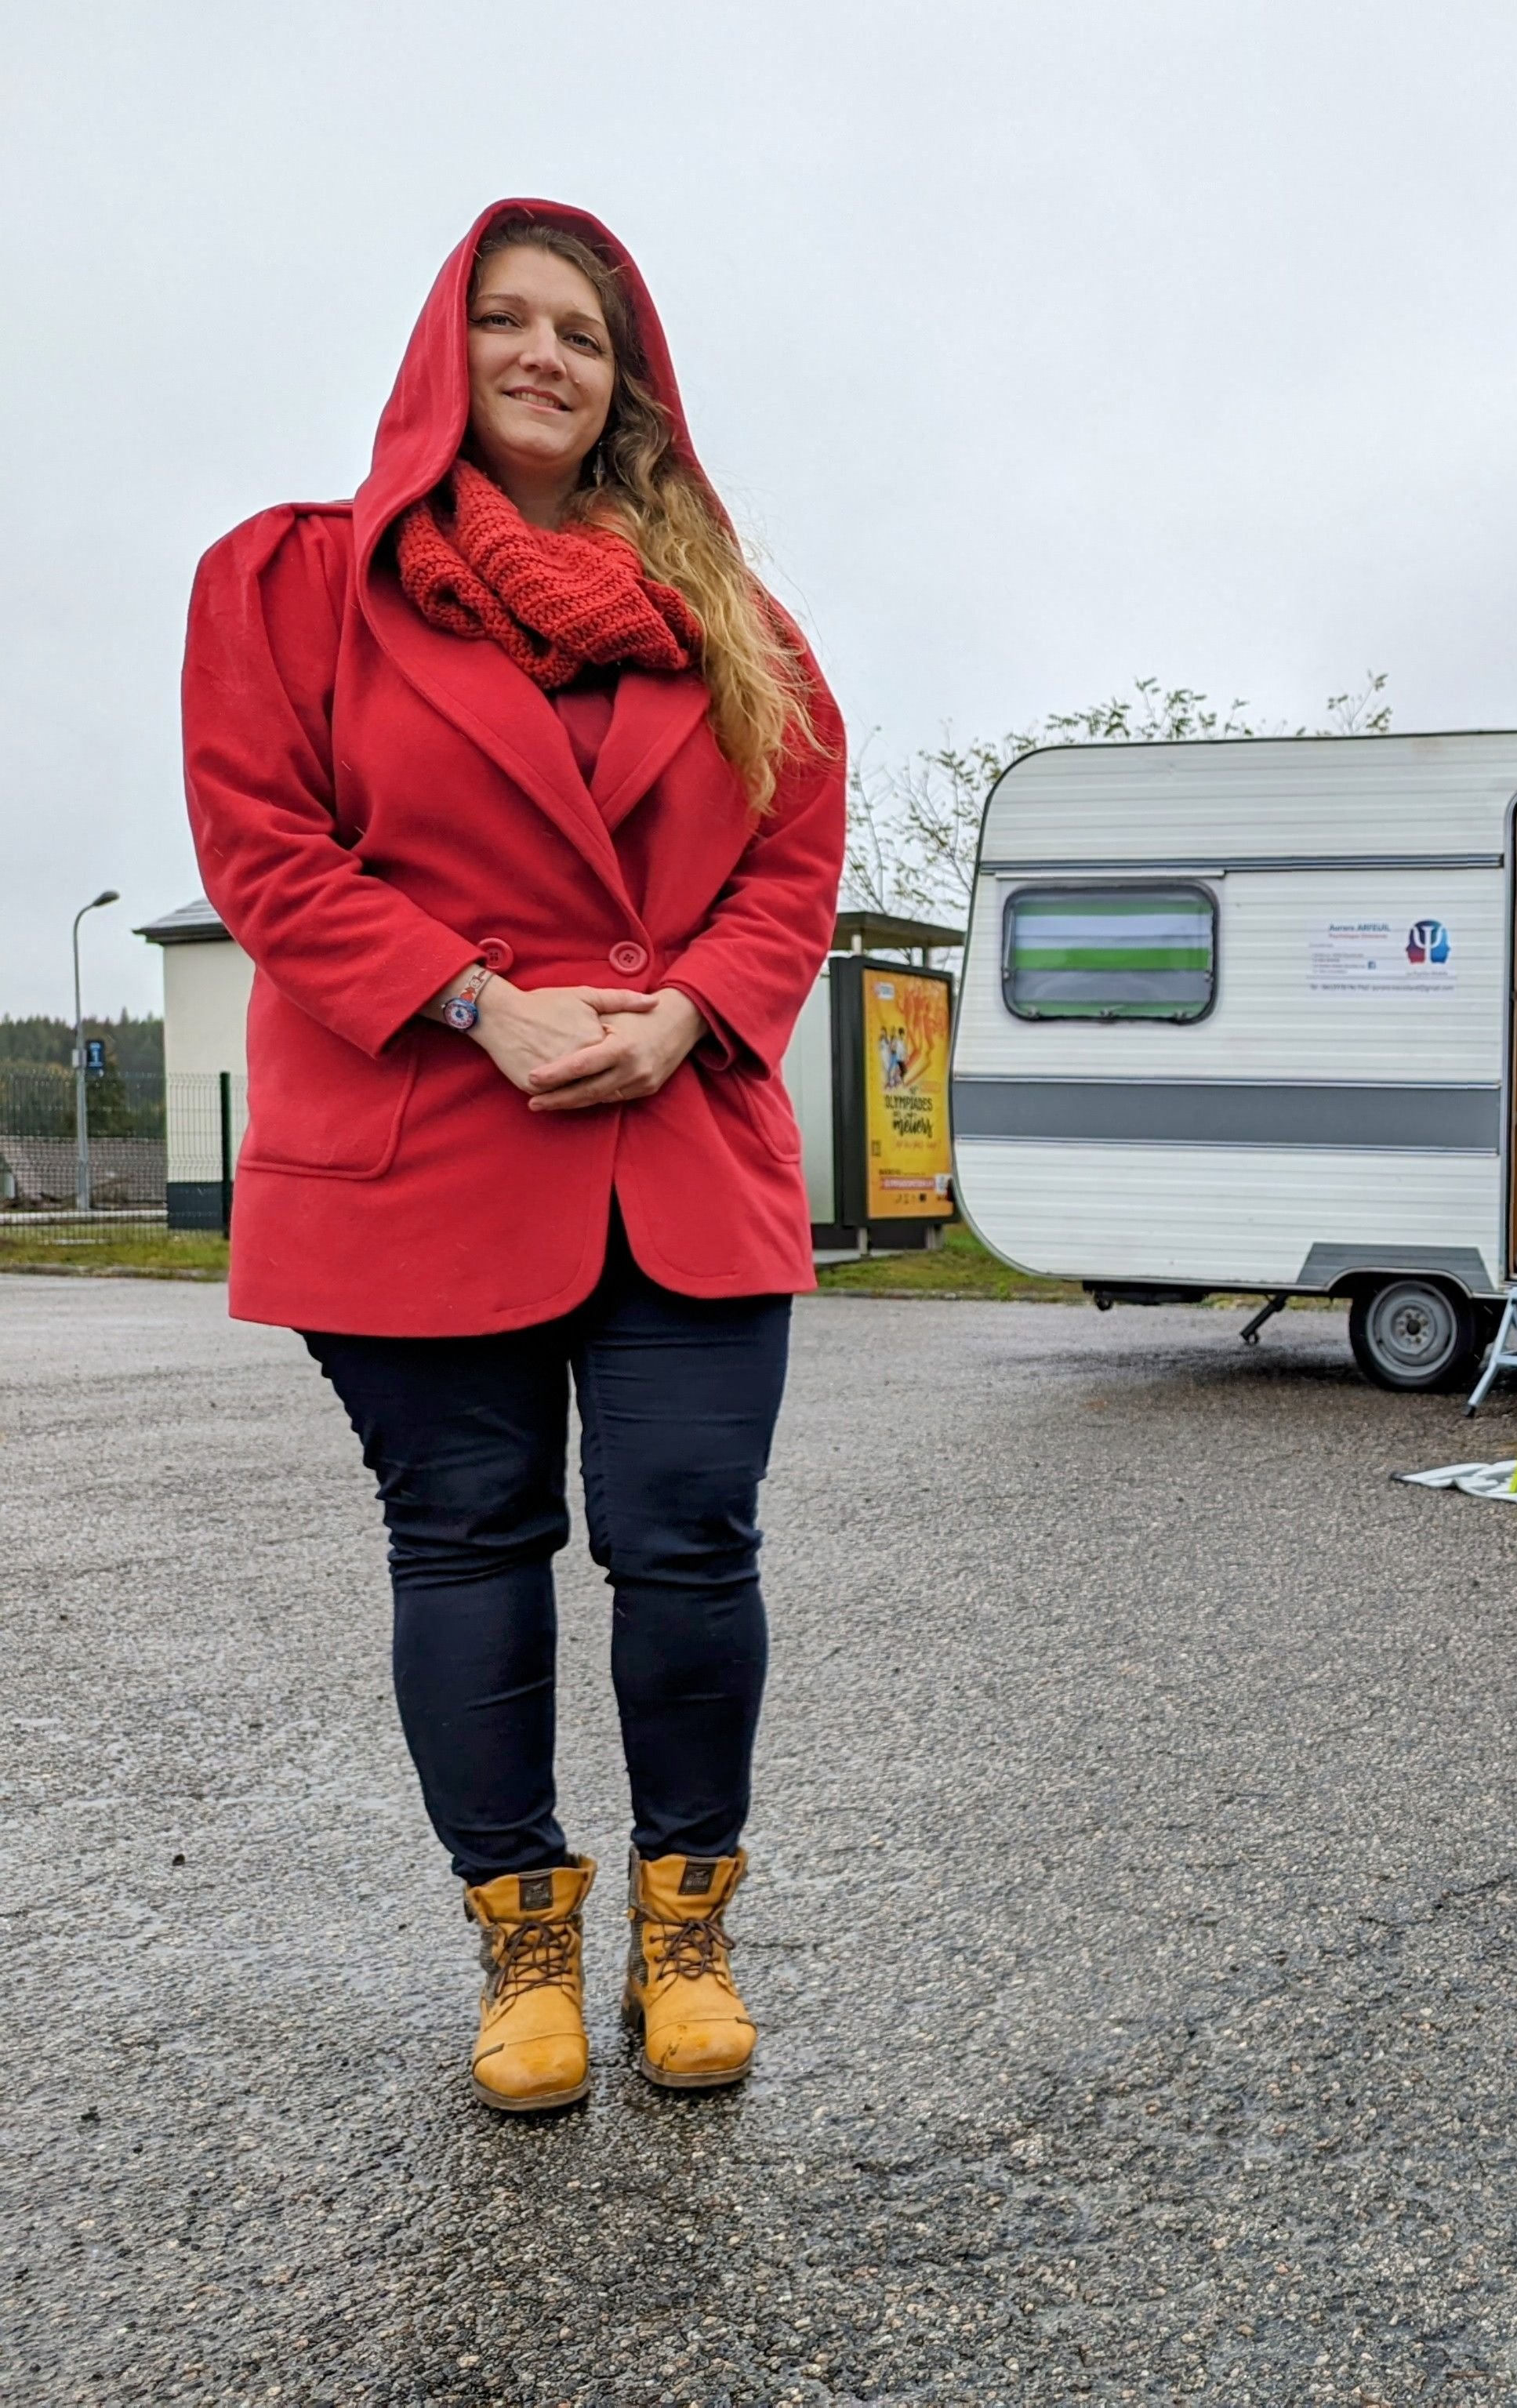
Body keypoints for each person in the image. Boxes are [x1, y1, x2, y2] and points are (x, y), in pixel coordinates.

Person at [182, 201, 845, 2112]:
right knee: (467, 1543)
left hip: (681, 1145)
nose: (548, 355)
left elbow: (793, 863)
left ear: (632, 383)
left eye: (587, 333)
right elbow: (267, 852)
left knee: (689, 1541)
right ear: (440, 347)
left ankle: (685, 1931)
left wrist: (695, 1010)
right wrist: (481, 1001)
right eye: (510, 320)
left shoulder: (739, 623)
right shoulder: (293, 584)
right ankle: (524, 1947)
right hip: (425, 1145)